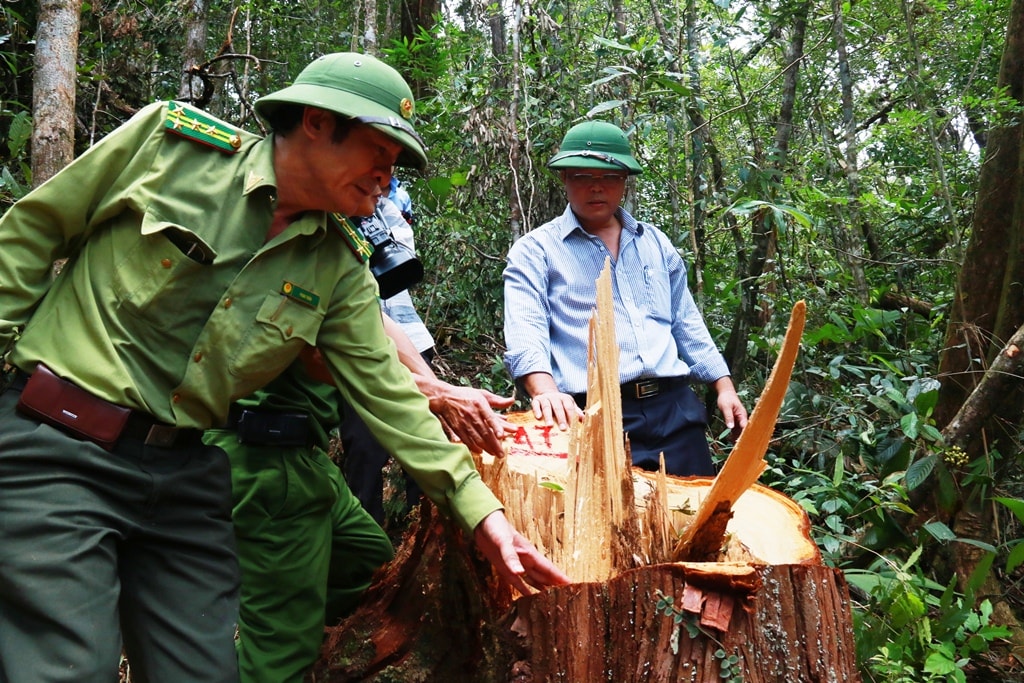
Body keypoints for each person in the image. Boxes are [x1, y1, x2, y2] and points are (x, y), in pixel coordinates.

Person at [0, 51, 568, 683]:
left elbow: (390, 396)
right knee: (67, 665)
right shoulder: (170, 148)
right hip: (59, 444)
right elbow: (32, 231)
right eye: (379, 152)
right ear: (317, 122)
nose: (387, 176)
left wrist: (486, 519)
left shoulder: (338, 265)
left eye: (395, 165)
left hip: (182, 475)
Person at [502, 120, 748, 477]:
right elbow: (526, 328)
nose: (596, 186)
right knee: (606, 527)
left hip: (674, 409)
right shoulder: (536, 251)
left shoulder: (655, 243)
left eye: (609, 176)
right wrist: (545, 391)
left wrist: (723, 387)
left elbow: (685, 320)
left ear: (624, 181)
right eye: (582, 176)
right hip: (592, 414)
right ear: (564, 179)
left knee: (696, 522)